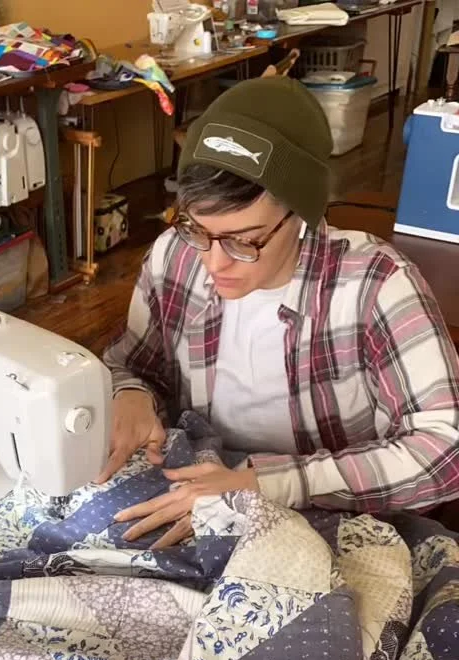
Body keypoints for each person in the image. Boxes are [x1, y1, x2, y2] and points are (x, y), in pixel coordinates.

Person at [98, 76, 459, 549]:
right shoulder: (175, 255)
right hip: (199, 488)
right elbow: (132, 365)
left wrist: (262, 485)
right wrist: (130, 392)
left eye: (245, 241)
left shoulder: (376, 284)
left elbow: (444, 451)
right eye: (197, 229)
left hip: (329, 513)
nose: (214, 262)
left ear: (302, 215)